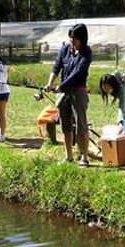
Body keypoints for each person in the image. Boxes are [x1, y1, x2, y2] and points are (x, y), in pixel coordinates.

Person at [44, 23, 93, 166]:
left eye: (75, 39)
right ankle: (68, 156)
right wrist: (50, 83)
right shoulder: (65, 48)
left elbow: (78, 72)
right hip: (63, 92)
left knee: (81, 125)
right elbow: (57, 66)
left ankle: (84, 157)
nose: (73, 42)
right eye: (71, 39)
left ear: (82, 39)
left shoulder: (86, 52)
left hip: (78, 91)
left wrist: (61, 86)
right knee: (65, 124)